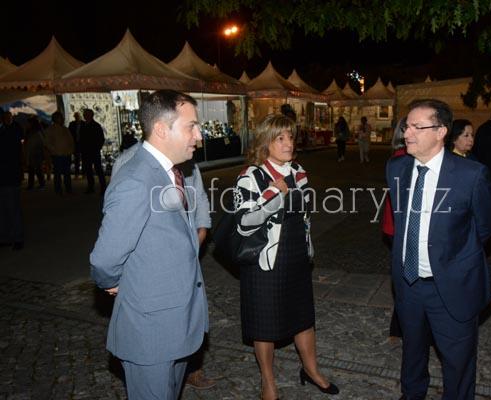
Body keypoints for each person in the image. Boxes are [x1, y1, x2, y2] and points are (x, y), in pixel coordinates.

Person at [90, 90, 209, 400]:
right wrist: (113, 282)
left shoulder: (171, 172)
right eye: (191, 126)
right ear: (161, 129)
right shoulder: (136, 181)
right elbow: (104, 259)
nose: (199, 135)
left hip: (176, 324)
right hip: (150, 332)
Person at [386, 99, 491, 400]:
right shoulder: (396, 168)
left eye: (416, 127)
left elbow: (486, 226)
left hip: (452, 286)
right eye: (406, 126)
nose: (407, 133)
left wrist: (454, 257)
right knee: (412, 352)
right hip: (408, 283)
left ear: (440, 132)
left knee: (458, 362)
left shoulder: (471, 175)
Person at [233, 114, 338, 400]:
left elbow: (304, 214)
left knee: (303, 316)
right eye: (280, 138)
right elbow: (244, 223)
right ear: (265, 142)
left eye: (290, 137)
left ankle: (311, 370)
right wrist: (274, 195)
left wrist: (308, 244)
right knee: (264, 322)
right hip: (264, 259)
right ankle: (268, 382)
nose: (288, 143)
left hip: (295, 253)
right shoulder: (251, 176)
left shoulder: (299, 171)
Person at [111, 140, 216, 390]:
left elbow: (199, 197)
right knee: (158, 318)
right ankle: (156, 369)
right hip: (153, 260)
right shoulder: (128, 162)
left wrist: (200, 232)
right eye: (189, 126)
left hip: (186, 254)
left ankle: (189, 365)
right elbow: (117, 220)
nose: (196, 136)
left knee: (189, 309)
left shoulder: (186, 160)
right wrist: (111, 276)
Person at [381, 117, 408, 342]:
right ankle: (398, 328)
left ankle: (399, 327)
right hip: (399, 228)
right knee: (407, 280)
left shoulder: (401, 157)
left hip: (395, 226)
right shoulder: (402, 160)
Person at [0, 111, 25, 250]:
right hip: (7, 176)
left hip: (9, 176)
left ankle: (17, 237)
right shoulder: (7, 131)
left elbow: (14, 153)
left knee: (12, 207)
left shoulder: (13, 131)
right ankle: (6, 237)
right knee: (4, 209)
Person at [44, 112, 74, 195]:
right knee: (57, 174)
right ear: (55, 119)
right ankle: (58, 190)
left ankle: (68, 189)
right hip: (57, 155)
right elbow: (47, 142)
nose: (62, 119)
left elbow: (71, 140)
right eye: (60, 118)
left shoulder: (65, 129)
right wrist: (54, 150)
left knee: (67, 173)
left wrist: (71, 150)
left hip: (66, 154)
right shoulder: (50, 129)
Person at [80, 109, 107, 194]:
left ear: (91, 115)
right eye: (84, 114)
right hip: (86, 152)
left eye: (86, 114)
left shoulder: (96, 126)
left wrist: (97, 148)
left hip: (94, 151)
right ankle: (90, 187)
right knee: (88, 170)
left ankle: (103, 187)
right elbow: (81, 138)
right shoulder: (83, 126)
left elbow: (101, 139)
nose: (85, 116)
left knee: (98, 169)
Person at [24, 116, 46, 190]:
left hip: (35, 153)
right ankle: (32, 185)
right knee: (32, 169)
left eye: (29, 123)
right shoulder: (33, 132)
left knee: (37, 169)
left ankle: (40, 184)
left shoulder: (36, 133)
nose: (27, 124)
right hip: (35, 153)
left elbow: (35, 144)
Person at [68, 112, 83, 178]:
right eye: (76, 116)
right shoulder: (72, 124)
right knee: (76, 159)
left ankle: (84, 173)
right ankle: (77, 174)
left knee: (84, 159)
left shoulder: (84, 124)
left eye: (78, 116)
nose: (77, 117)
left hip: (82, 144)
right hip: (74, 144)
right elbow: (69, 134)